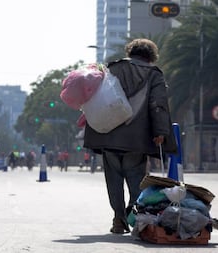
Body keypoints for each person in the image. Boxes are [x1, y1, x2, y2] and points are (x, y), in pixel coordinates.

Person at [83, 38, 177, 234]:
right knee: (136, 181)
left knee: (114, 181)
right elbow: (157, 104)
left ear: (130, 52)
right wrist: (161, 132)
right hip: (136, 139)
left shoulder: (111, 68)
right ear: (151, 56)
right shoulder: (153, 74)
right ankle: (136, 219)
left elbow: (95, 99)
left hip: (108, 135)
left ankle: (119, 219)